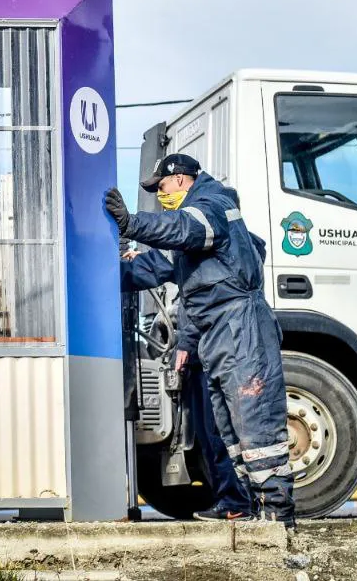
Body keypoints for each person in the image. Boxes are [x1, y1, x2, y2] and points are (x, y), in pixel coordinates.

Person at [106, 154, 295, 527]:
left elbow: (185, 229)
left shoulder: (210, 205)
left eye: (161, 187)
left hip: (241, 329)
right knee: (229, 431)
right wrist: (107, 271)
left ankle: (278, 518)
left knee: (255, 424)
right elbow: (168, 273)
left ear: (180, 179)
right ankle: (253, 512)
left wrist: (132, 223)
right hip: (219, 332)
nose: (160, 195)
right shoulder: (194, 230)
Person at [122, 247, 251, 520]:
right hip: (207, 351)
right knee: (211, 432)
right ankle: (234, 501)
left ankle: (238, 502)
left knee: (217, 431)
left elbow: (198, 304)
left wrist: (187, 343)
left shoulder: (203, 249)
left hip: (210, 352)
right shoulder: (220, 248)